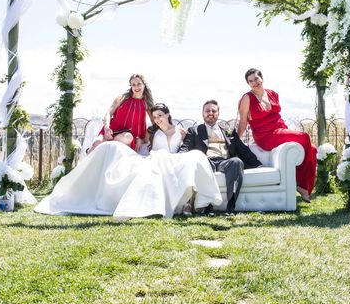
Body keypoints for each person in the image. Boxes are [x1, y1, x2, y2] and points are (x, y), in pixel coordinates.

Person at [35, 103, 222, 219]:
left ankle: (188, 202)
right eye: (154, 117)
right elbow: (142, 146)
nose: (157, 119)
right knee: (113, 149)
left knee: (187, 161)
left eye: (160, 116)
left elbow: (186, 148)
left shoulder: (181, 132)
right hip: (154, 159)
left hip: (172, 160)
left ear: (167, 115)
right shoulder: (152, 133)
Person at [237, 68, 317, 202]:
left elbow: (276, 116)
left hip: (280, 130)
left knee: (313, 148)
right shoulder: (247, 98)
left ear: (262, 78)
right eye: (250, 81)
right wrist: (236, 140)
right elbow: (243, 121)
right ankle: (300, 184)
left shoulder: (273, 94)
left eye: (256, 79)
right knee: (304, 136)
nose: (254, 83)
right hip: (265, 135)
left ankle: (303, 186)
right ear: (248, 84)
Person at [180, 99, 262, 214]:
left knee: (236, 162)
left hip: (225, 161)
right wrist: (178, 158)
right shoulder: (194, 130)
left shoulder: (228, 131)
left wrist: (258, 164)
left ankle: (231, 205)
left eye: (214, 111)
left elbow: (242, 149)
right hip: (206, 161)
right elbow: (185, 147)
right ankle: (208, 206)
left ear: (218, 114)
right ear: (202, 113)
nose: (210, 113)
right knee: (203, 163)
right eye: (207, 111)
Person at [89, 73, 154, 152]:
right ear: (131, 86)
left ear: (144, 84)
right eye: (133, 85)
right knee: (96, 143)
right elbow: (109, 113)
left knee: (127, 137)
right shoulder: (122, 98)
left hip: (129, 136)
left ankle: (106, 148)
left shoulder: (146, 103)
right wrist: (106, 127)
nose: (136, 87)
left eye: (139, 84)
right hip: (111, 130)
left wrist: (143, 140)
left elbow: (154, 123)